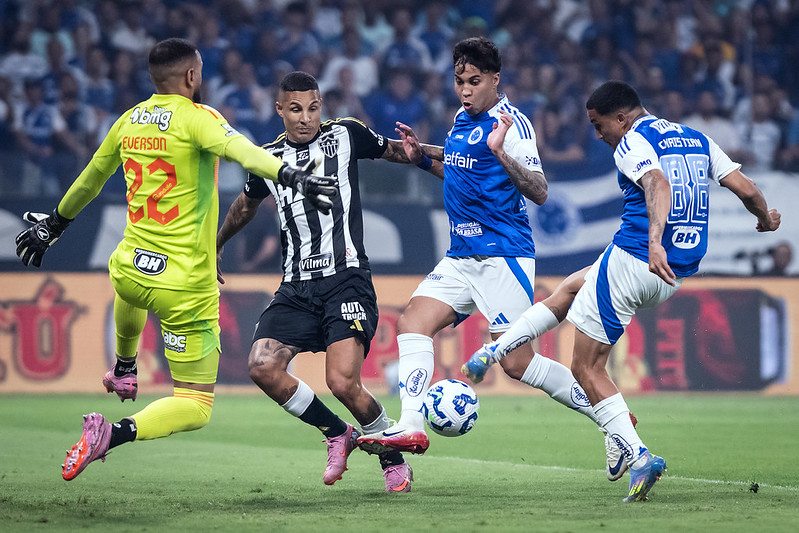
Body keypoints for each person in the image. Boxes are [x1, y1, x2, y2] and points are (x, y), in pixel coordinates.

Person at [14, 38, 337, 481]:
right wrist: (291, 174)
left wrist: (54, 224)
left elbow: (90, 178)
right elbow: (243, 151)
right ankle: (113, 433)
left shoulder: (129, 120)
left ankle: (124, 368)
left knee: (129, 286)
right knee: (195, 404)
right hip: (183, 285)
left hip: (129, 267)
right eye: (199, 70)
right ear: (191, 75)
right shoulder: (199, 118)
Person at [463, 80, 781, 502]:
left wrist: (655, 241)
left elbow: (657, 184)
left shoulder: (633, 140)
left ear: (621, 117)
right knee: (571, 288)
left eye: (599, 125)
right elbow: (746, 188)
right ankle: (494, 352)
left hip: (637, 259)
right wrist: (765, 218)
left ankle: (637, 454)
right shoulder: (696, 138)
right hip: (673, 274)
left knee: (586, 368)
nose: (599, 135)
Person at [357, 37, 605, 463]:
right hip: (461, 256)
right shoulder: (461, 119)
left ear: (495, 79)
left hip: (502, 256)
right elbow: (459, 169)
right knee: (412, 322)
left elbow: (539, 190)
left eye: (474, 81)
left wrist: (500, 152)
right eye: (459, 81)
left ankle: (610, 417)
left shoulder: (512, 124)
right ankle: (412, 425)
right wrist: (421, 158)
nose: (465, 90)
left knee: (517, 363)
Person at [215, 71, 441, 493]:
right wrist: (217, 243)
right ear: (279, 110)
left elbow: (400, 152)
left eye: (313, 108)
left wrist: (460, 158)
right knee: (262, 367)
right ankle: (338, 433)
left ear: (321, 106)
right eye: (296, 109)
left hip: (346, 280)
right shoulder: (268, 158)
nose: (306, 118)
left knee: (341, 383)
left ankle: (392, 459)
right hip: (296, 288)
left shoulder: (346, 134)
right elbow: (245, 205)